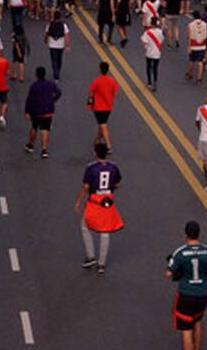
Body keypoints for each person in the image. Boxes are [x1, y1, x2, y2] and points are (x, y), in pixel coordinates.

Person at [167, 220, 207, 350]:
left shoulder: (180, 253)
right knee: (197, 321)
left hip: (186, 295)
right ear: (198, 234)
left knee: (186, 329)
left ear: (185, 234)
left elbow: (169, 274)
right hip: (203, 294)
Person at [74, 142, 122, 274]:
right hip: (107, 202)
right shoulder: (114, 167)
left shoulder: (91, 168)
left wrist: (78, 201)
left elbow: (86, 187)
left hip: (94, 202)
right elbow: (118, 185)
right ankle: (102, 263)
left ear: (95, 153)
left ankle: (90, 256)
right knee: (105, 231)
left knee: (85, 226)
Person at [24, 66, 62, 159]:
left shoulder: (34, 86)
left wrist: (27, 111)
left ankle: (31, 144)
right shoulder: (51, 84)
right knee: (45, 129)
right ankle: (44, 150)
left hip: (36, 111)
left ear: (37, 75)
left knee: (34, 127)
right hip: (48, 110)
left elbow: (29, 100)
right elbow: (59, 93)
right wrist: (53, 100)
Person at [87, 61, 119, 152]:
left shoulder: (97, 81)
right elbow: (115, 91)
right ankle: (97, 140)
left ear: (100, 70)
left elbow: (91, 93)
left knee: (103, 125)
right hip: (108, 107)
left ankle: (108, 145)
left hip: (98, 107)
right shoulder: (112, 81)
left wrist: (90, 105)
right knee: (102, 124)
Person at [45, 10, 70, 82]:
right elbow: (66, 36)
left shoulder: (50, 24)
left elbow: (47, 33)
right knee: (59, 59)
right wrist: (67, 45)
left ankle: (56, 74)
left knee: (54, 60)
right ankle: (57, 72)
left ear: (54, 16)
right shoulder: (64, 25)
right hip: (60, 45)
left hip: (52, 45)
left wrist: (46, 40)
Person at [186, 10, 207, 85]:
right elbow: (206, 35)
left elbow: (189, 36)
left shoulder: (190, 25)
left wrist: (189, 46)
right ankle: (199, 79)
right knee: (200, 62)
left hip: (193, 45)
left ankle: (190, 74)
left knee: (191, 60)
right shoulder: (205, 24)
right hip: (202, 45)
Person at [141, 16, 165, 91]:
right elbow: (162, 40)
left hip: (149, 52)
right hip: (157, 52)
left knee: (148, 67)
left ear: (151, 24)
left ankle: (149, 82)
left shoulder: (147, 32)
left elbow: (144, 41)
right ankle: (155, 81)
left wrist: (146, 47)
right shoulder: (160, 32)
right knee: (155, 68)